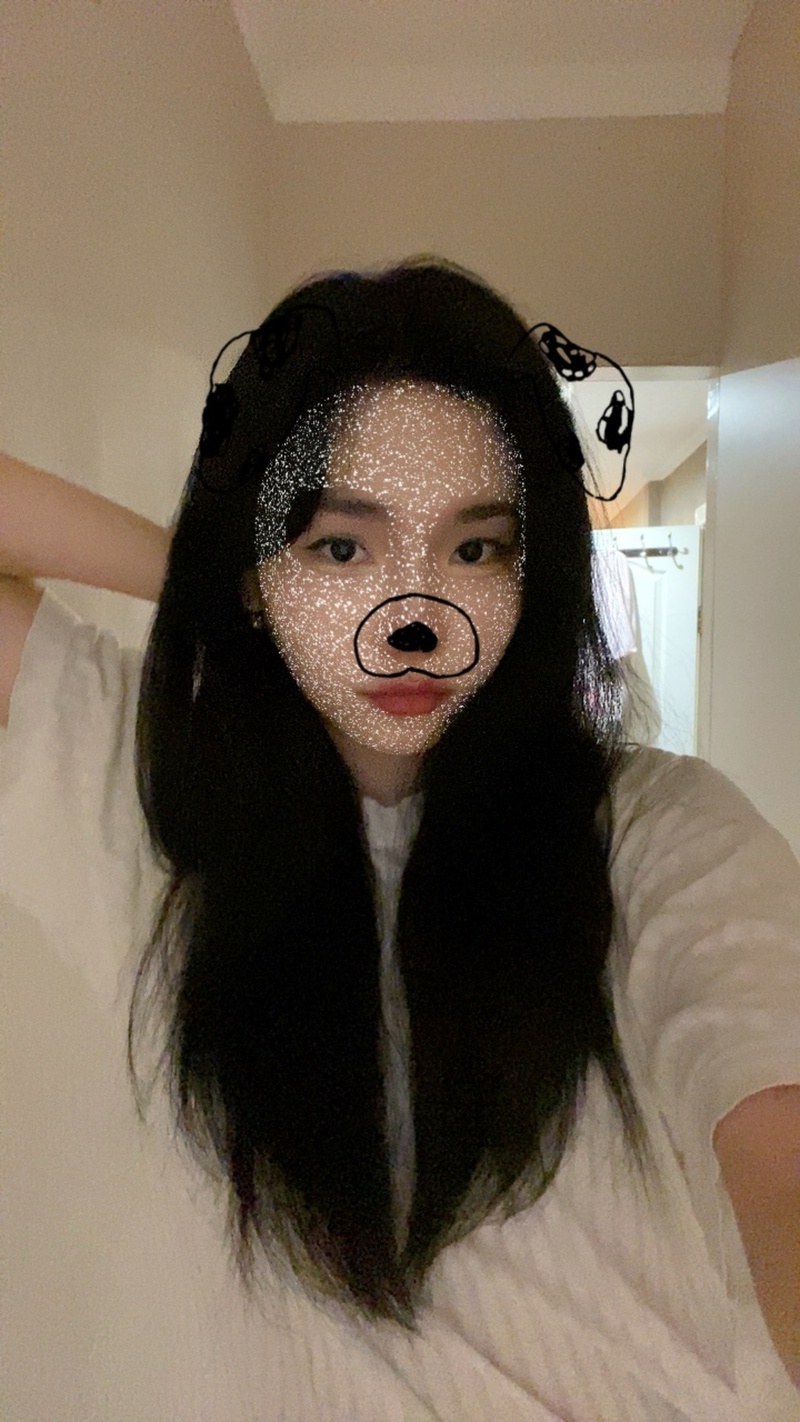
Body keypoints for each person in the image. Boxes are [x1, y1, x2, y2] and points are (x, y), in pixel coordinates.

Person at [1, 258, 799, 1421]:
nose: (414, 620)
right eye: (343, 548)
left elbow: (769, 1111)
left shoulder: (656, 832)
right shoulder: (148, 792)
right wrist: (225, 589)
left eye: (476, 549)